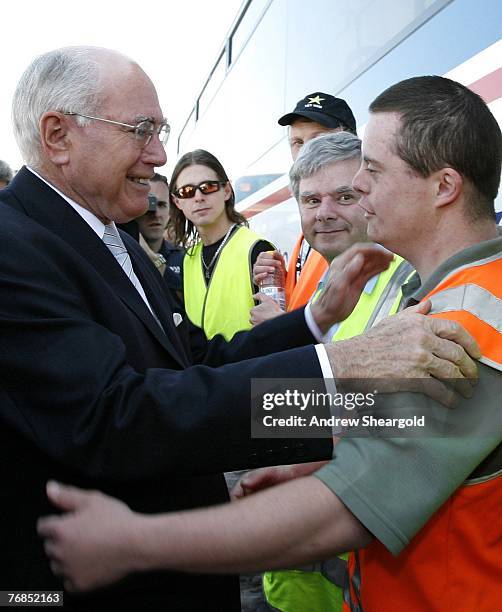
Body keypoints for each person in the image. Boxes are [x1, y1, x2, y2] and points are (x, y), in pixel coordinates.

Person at [0, 46, 475, 611]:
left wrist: (314, 326)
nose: (160, 153)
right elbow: (117, 416)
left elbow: (197, 366)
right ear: (58, 135)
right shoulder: (18, 245)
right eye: (141, 130)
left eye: (359, 183)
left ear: (443, 185)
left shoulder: (113, 238)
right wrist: (336, 375)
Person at [258, 130, 414, 612]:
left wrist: (262, 405)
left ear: (370, 196)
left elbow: (409, 415)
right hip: (300, 572)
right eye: (311, 199)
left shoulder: (407, 283)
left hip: (361, 573)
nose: (324, 212)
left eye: (344, 196)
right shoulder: (321, 280)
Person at [169, 149, 274, 340]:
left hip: (251, 366)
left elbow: (277, 328)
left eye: (207, 187)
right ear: (178, 202)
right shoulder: (188, 259)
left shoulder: (257, 249)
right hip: (204, 368)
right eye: (187, 191)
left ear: (226, 190)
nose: (198, 197)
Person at [270, 92, 358, 313]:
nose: (305, 152)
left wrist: (278, 325)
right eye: (297, 142)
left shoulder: (351, 228)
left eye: (318, 139)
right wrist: (282, 279)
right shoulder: (309, 233)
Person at [136, 172, 184, 305]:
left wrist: (159, 267)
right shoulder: (120, 254)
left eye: (162, 205)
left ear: (170, 211)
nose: (155, 213)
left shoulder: (184, 259)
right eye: (149, 203)